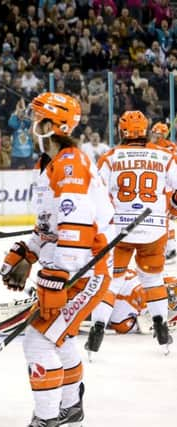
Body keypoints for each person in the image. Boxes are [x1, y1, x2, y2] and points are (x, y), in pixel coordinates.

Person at [0, 92, 115, 426]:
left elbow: (77, 224)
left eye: (35, 119)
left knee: (38, 341)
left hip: (85, 269)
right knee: (56, 335)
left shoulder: (71, 161)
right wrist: (28, 253)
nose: (29, 124)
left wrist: (58, 274)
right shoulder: (48, 165)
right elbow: (51, 226)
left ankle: (47, 419)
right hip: (69, 266)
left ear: (50, 125)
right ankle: (70, 407)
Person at [86, 111, 176, 357]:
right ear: (146, 130)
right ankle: (162, 330)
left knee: (110, 282)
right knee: (153, 281)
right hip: (155, 229)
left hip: (120, 232)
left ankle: (97, 331)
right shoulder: (164, 155)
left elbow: (95, 195)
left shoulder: (110, 157)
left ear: (121, 131)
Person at [150, 121, 177, 263]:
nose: (155, 135)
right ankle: (170, 248)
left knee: (165, 217)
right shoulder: (172, 147)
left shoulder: (156, 147)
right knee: (166, 217)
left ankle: (170, 249)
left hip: (165, 185)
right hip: (168, 184)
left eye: (157, 133)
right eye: (155, 133)